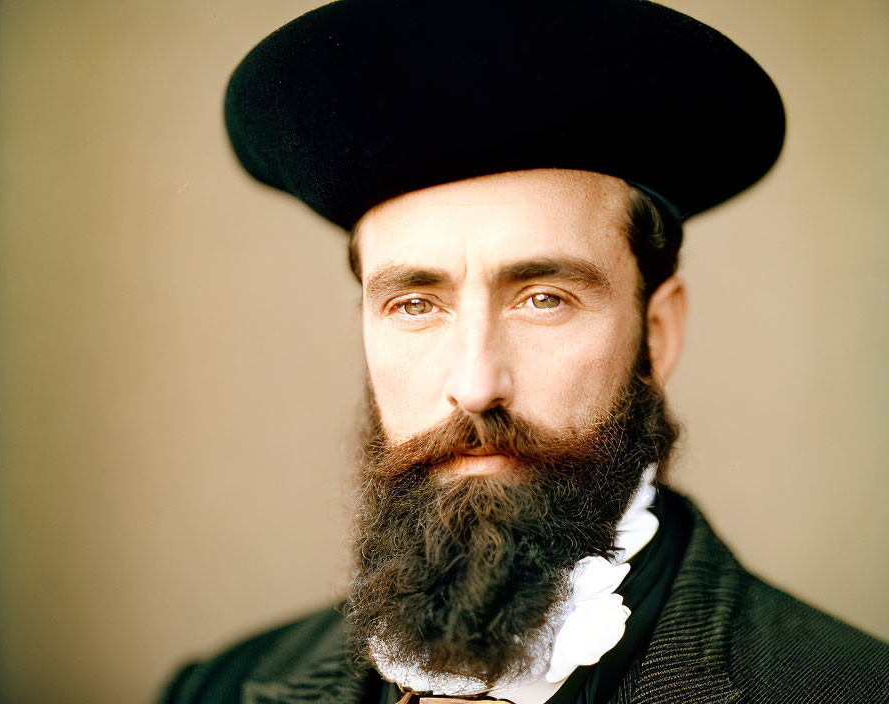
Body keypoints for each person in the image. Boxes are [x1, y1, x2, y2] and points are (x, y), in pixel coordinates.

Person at [160, 0, 888, 702]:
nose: (476, 385)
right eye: (415, 305)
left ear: (656, 335)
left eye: (545, 298)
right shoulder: (214, 690)